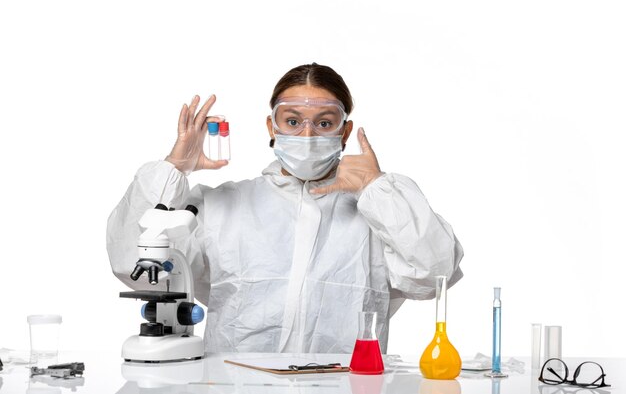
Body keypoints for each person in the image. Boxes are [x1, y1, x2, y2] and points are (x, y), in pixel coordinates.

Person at [107, 63, 464, 354]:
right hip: (234, 383)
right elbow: (130, 264)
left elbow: (433, 276)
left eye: (324, 123)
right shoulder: (222, 205)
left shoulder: (379, 210)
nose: (307, 135)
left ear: (344, 132)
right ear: (272, 127)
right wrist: (174, 167)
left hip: (344, 385)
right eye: (292, 121)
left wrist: (377, 189)